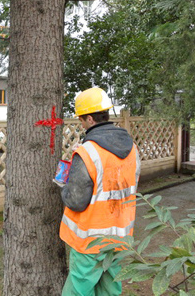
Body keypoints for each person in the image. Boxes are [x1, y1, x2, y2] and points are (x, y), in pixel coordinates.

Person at [58, 87, 141, 296]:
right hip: (120, 236)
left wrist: (63, 188)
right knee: (110, 289)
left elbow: (76, 201)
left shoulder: (87, 151)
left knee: (78, 290)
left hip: (90, 240)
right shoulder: (132, 148)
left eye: (81, 120)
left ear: (89, 119)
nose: (81, 123)